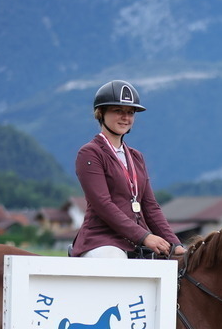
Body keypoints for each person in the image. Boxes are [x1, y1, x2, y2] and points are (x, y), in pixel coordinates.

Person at [72, 80, 184, 259]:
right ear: (100, 113)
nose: (125, 117)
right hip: (102, 241)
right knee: (114, 260)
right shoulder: (90, 153)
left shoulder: (136, 157)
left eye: (130, 112)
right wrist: (144, 236)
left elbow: (150, 206)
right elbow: (103, 205)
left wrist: (175, 244)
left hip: (136, 242)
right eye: (118, 111)